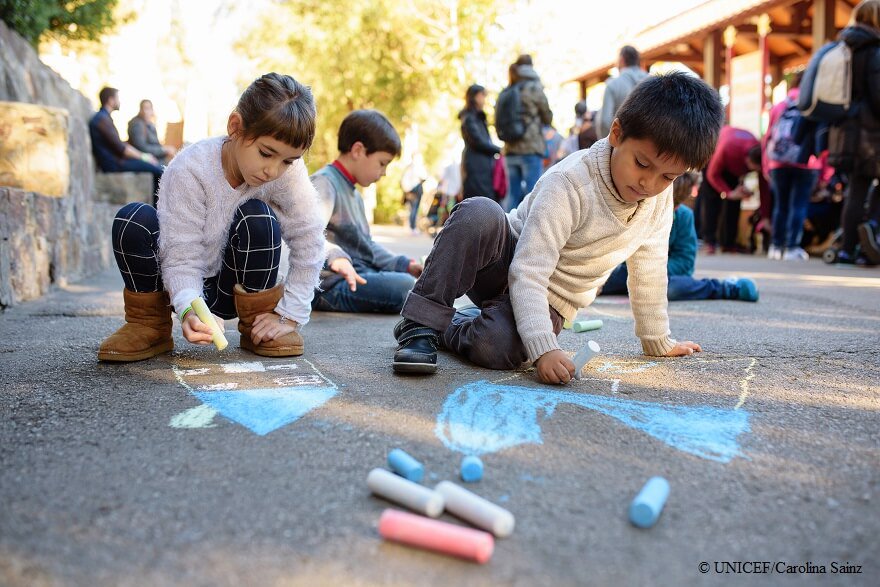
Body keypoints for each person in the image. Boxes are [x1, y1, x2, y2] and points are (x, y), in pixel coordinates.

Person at [391, 72, 724, 384]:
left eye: (667, 177)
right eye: (641, 163)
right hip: (505, 258)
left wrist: (656, 340)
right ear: (617, 133)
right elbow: (528, 268)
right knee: (479, 212)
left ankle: (449, 324)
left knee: (499, 347)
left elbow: (650, 271)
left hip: (552, 296)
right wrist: (545, 348)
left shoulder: (658, 202)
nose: (648, 183)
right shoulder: (571, 182)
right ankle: (421, 322)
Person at [97, 73, 326, 362]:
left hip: (239, 285)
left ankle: (258, 323)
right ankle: (148, 325)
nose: (273, 170)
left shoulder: (287, 174)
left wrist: (290, 315)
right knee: (133, 219)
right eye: (266, 153)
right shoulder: (190, 168)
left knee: (258, 217)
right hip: (180, 282)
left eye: (288, 160)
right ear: (235, 127)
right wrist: (190, 308)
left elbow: (310, 239)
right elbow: (181, 255)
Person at [310, 110, 423, 314]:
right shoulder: (325, 183)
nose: (385, 173)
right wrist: (336, 257)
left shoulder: (356, 195)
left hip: (360, 274)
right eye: (382, 163)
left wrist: (405, 264)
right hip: (332, 285)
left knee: (411, 283)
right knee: (405, 286)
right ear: (358, 150)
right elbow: (308, 235)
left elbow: (367, 246)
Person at [600, 173, 759, 301]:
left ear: (678, 205)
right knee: (594, 281)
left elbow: (685, 263)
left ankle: (725, 288)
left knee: (671, 289)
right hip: (626, 272)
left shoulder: (684, 216)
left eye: (670, 208)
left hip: (660, 276)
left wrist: (651, 268)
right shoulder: (635, 209)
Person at [832, 0, 880, 265]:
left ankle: (846, 249)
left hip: (845, 130)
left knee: (856, 190)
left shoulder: (844, 47)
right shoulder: (873, 50)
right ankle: (868, 245)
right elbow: (877, 95)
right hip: (871, 134)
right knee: (872, 188)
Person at [762, 73, 823, 261]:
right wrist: (824, 172)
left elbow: (768, 136)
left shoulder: (780, 105)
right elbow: (820, 138)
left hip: (778, 162)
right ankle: (791, 247)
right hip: (806, 162)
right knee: (798, 205)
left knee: (780, 205)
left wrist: (766, 165)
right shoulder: (814, 106)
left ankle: (775, 246)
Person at [89, 87, 165, 205]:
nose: (119, 101)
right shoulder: (101, 119)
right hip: (114, 163)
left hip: (118, 160)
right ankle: (156, 211)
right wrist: (145, 157)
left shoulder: (104, 118)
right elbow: (121, 148)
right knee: (159, 171)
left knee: (158, 168)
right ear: (110, 100)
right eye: (117, 98)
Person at [698, 126, 767, 253]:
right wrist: (728, 193)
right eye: (751, 169)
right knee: (711, 201)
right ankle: (709, 241)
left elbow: (764, 187)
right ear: (747, 159)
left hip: (732, 166)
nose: (752, 172)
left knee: (735, 203)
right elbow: (712, 175)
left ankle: (728, 243)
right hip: (713, 160)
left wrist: (765, 214)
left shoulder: (760, 154)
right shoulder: (728, 148)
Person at [502, 55, 553, 212]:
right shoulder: (533, 88)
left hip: (510, 149)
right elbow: (548, 117)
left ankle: (504, 232)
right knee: (533, 195)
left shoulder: (508, 89)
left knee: (512, 195)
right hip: (530, 150)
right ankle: (532, 234)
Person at [595, 46, 649, 138]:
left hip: (621, 143)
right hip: (650, 143)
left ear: (621, 60)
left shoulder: (613, 85)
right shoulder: (653, 81)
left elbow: (605, 121)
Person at [459, 84, 501, 200]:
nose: (484, 99)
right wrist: (499, 150)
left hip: (482, 166)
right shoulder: (469, 118)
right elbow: (478, 142)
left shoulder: (477, 117)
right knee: (478, 200)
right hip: (476, 166)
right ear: (474, 97)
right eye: (482, 95)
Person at [127, 99, 177, 165]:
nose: (145, 111)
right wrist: (163, 150)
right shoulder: (137, 124)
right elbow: (142, 148)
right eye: (143, 108)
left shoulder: (150, 124)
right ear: (140, 110)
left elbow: (156, 144)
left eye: (148, 108)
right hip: (145, 159)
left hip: (155, 157)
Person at [401, 155, 427, 234]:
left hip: (411, 189)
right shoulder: (417, 167)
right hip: (414, 189)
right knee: (414, 209)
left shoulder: (410, 167)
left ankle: (412, 227)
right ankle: (412, 227)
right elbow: (423, 177)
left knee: (412, 209)